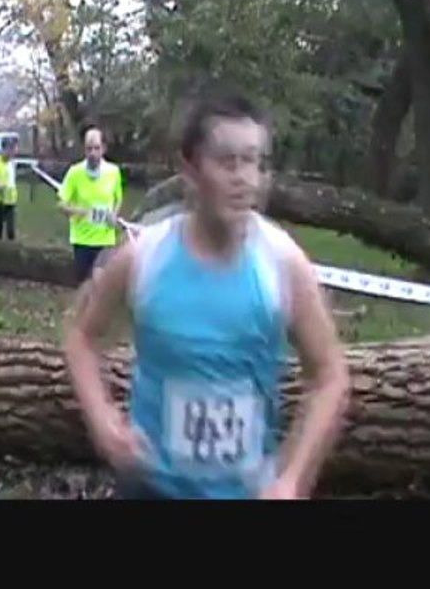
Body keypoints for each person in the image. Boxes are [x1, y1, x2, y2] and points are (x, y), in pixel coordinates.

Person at [62, 92, 350, 500]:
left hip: (245, 492)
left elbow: (329, 376)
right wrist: (103, 420)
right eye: (227, 161)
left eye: (253, 161)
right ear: (190, 170)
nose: (244, 178)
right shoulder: (145, 258)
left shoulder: (283, 265)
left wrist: (292, 479)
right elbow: (81, 340)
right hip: (150, 486)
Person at [58, 127, 124, 284]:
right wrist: (75, 210)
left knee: (102, 286)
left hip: (105, 240)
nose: (93, 154)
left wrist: (114, 214)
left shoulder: (113, 171)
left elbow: (118, 198)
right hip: (82, 240)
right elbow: (61, 204)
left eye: (96, 148)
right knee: (85, 287)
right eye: (89, 149)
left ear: (104, 149)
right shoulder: (75, 172)